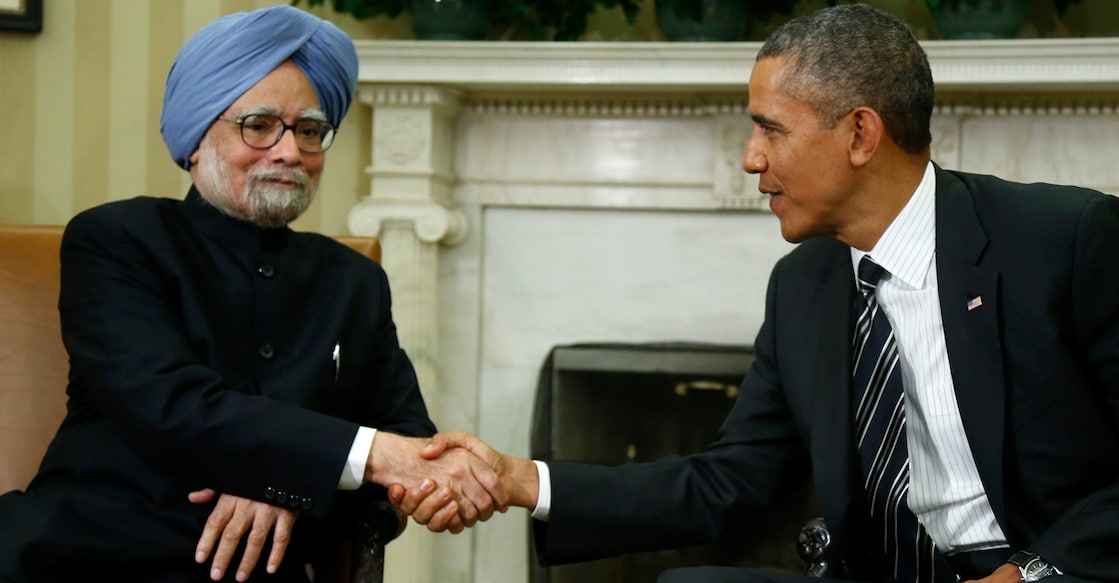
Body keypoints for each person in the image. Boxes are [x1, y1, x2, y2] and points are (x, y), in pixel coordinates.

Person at [392, 4, 1119, 583]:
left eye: (769, 128)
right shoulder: (803, 285)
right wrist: (517, 478)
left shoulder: (1064, 238)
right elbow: (726, 481)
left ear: (859, 133)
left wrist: (1026, 576)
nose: (750, 158)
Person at [0, 6, 503, 583]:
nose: (290, 152)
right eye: (259, 125)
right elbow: (174, 409)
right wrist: (306, 467)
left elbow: (411, 442)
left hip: (257, 573)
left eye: (309, 130)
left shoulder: (354, 283)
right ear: (196, 139)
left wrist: (284, 484)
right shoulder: (116, 240)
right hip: (82, 552)